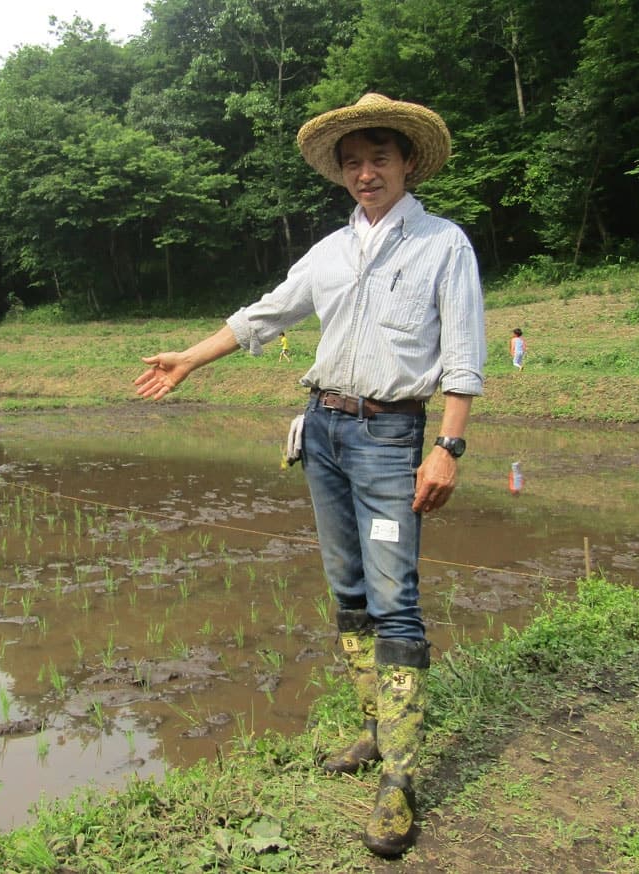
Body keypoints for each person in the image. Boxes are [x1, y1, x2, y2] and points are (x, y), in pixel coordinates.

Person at [134, 93, 486, 856]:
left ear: (408, 164)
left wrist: (447, 448)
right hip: (322, 432)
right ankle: (375, 726)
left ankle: (400, 778)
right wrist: (189, 359)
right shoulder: (329, 251)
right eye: (352, 162)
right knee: (349, 591)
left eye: (379, 159)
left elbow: (462, 358)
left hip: (391, 439)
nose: (365, 173)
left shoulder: (443, 245)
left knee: (396, 600)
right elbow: (268, 313)